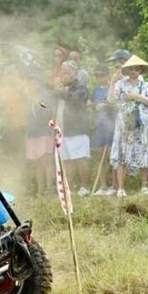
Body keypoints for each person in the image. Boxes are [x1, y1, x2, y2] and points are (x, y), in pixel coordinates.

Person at [110, 55, 148, 197]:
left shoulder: (145, 85)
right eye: (131, 68)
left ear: (141, 70)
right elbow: (111, 100)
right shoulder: (120, 84)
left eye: (136, 68)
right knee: (122, 153)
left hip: (141, 124)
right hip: (124, 124)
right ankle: (120, 188)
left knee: (143, 153)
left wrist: (135, 96)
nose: (133, 71)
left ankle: (143, 186)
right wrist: (112, 83)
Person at [58, 60, 91, 196]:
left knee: (81, 159)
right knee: (67, 161)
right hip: (63, 130)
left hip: (78, 130)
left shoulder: (81, 87)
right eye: (63, 72)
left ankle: (85, 188)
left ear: (75, 73)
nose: (65, 75)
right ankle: (69, 188)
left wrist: (60, 92)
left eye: (68, 72)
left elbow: (76, 99)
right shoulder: (63, 89)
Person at [89, 65, 116, 195]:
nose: (100, 78)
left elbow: (116, 103)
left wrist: (105, 105)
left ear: (107, 74)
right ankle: (102, 185)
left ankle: (114, 185)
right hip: (100, 124)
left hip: (112, 124)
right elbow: (94, 104)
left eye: (102, 75)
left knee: (113, 156)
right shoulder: (96, 90)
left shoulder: (114, 87)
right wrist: (94, 106)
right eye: (97, 75)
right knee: (100, 155)